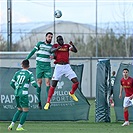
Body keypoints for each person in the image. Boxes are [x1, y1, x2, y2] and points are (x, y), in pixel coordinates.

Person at [44, 35, 79, 110]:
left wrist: (72, 45)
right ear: (57, 41)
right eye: (59, 40)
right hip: (58, 67)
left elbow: (75, 51)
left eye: (62, 40)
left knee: (76, 82)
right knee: (53, 85)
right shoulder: (55, 46)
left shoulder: (66, 46)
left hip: (66, 66)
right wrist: (57, 48)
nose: (61, 41)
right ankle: (48, 102)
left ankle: (72, 93)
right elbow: (51, 50)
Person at [8, 60, 39, 131]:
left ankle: (11, 125)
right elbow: (34, 84)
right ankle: (19, 127)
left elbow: (11, 83)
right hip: (23, 94)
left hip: (17, 93)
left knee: (19, 110)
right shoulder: (29, 73)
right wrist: (38, 87)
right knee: (25, 110)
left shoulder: (17, 73)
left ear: (22, 65)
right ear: (29, 66)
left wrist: (16, 89)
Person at [26, 32, 53, 109]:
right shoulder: (40, 44)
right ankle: (39, 101)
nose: (50, 38)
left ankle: (48, 102)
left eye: (51, 37)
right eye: (49, 37)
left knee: (48, 83)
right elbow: (33, 51)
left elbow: (54, 54)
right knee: (39, 83)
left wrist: (53, 56)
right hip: (39, 67)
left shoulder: (51, 47)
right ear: (46, 37)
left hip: (47, 67)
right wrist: (26, 59)